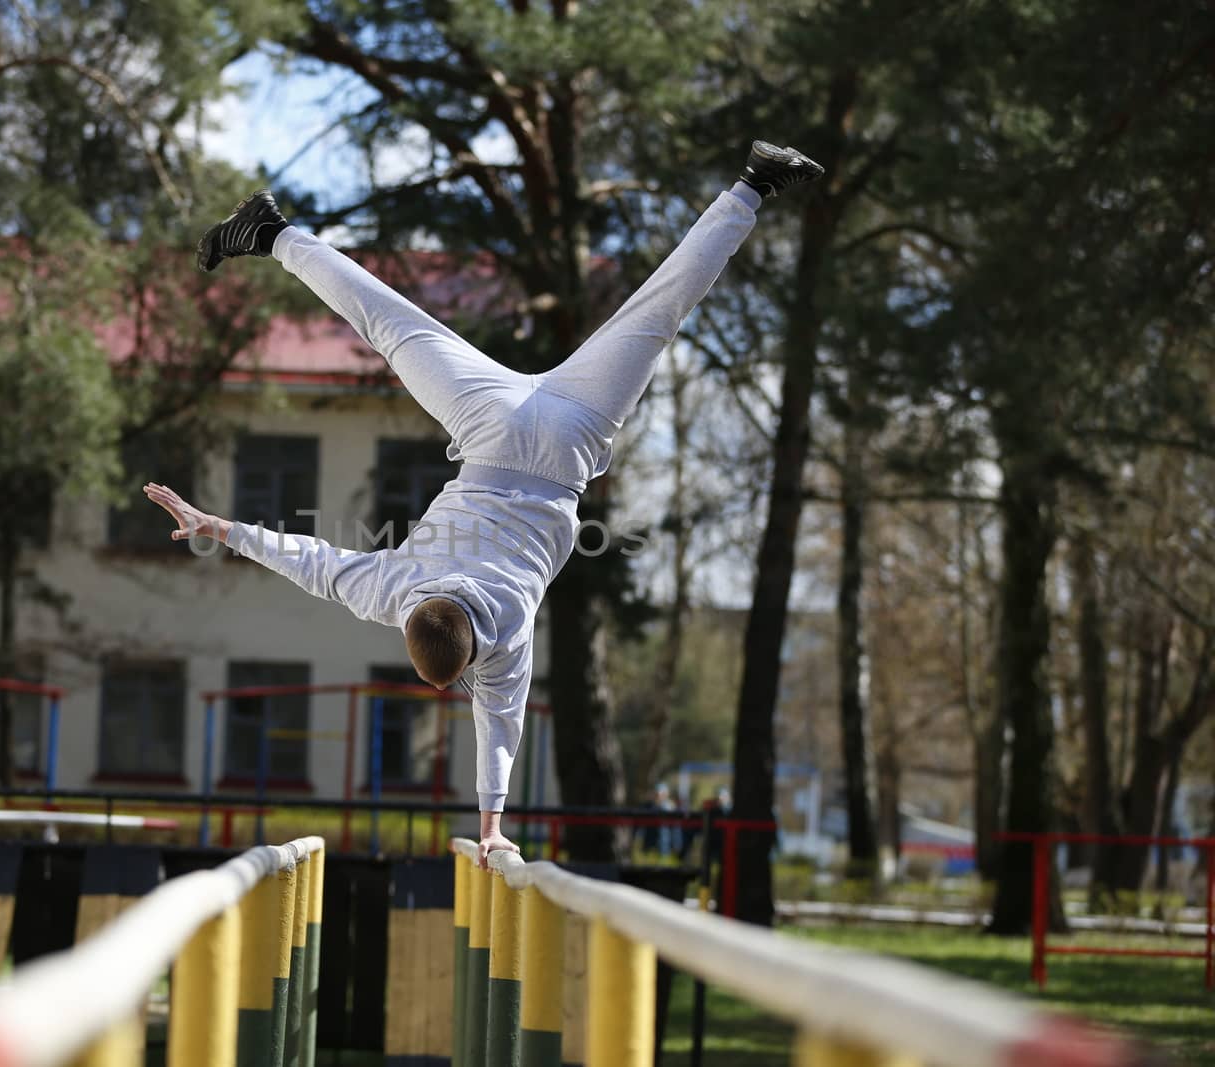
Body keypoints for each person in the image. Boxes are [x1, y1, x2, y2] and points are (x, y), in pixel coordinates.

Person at [147, 142, 824, 861]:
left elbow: (499, 726)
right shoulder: (392, 592)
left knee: (658, 312)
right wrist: (214, 525)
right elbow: (308, 558)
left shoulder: (506, 638)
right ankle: (274, 231)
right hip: (490, 425)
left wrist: (495, 821)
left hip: (569, 443)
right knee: (391, 323)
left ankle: (754, 183)